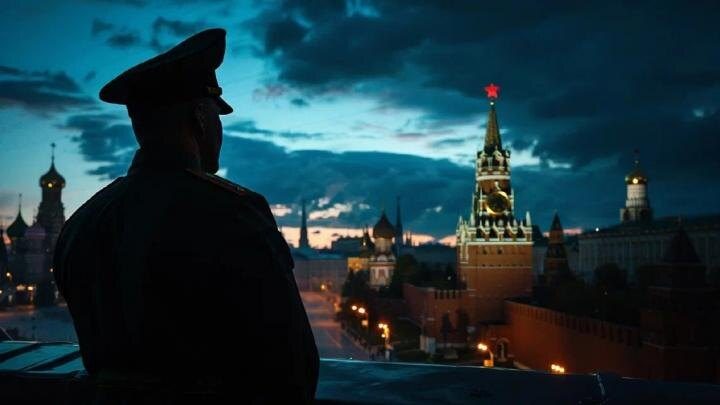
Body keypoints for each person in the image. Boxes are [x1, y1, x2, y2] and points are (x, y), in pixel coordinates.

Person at [53, 28, 319, 403]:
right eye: (217, 115)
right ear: (200, 117)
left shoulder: (83, 222)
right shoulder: (232, 213)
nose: (220, 130)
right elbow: (292, 369)